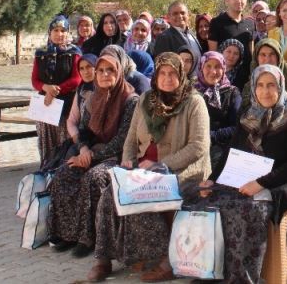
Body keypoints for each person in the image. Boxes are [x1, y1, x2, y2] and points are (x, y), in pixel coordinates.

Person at [87, 53, 211, 282]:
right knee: (109, 195)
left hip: (181, 171)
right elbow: (131, 138)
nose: (166, 78)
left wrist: (161, 165)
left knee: (152, 197)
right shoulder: (146, 99)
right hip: (143, 168)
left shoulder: (194, 101)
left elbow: (199, 146)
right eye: (162, 73)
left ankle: (167, 260)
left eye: (172, 73)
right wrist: (127, 161)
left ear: (181, 74)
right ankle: (103, 260)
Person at [194, 64, 287, 284]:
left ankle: (242, 278)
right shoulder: (249, 114)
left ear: (281, 87)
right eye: (260, 85)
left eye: (271, 85)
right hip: (250, 177)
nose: (265, 91)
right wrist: (212, 178)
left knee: (246, 208)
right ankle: (212, 272)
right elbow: (231, 152)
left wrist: (261, 183)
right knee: (210, 202)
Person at [48, 53, 138, 258]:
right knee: (64, 174)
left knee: (93, 178)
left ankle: (89, 238)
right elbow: (83, 130)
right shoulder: (92, 98)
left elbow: (124, 140)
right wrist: (83, 150)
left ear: (119, 72)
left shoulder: (130, 100)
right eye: (101, 71)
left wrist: (91, 156)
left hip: (119, 156)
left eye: (111, 70)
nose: (105, 74)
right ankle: (67, 233)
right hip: (92, 153)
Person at [31, 15, 82, 165]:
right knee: (46, 140)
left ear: (68, 33)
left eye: (63, 31)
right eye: (56, 30)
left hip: (66, 104)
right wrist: (46, 88)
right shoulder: (41, 53)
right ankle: (46, 167)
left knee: (63, 140)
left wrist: (55, 91)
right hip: (45, 104)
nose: (59, 34)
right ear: (49, 32)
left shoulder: (74, 53)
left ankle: (62, 170)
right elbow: (35, 80)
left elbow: (76, 79)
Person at [194, 51, 242, 166]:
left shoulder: (232, 93)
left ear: (224, 68)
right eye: (208, 66)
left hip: (220, 147)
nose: (213, 72)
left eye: (217, 66)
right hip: (192, 145)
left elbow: (238, 127)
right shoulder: (191, 90)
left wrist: (212, 136)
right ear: (201, 67)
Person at [241, 38, 287, 112]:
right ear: (256, 59)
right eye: (263, 55)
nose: (267, 59)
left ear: (278, 57)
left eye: (272, 54)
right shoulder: (250, 84)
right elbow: (244, 115)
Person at [208, 0, 254, 90]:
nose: (239, 1)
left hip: (246, 82)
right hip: (224, 82)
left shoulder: (250, 24)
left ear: (246, 0)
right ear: (227, 1)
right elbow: (212, 55)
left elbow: (251, 54)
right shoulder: (216, 23)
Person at [67, 54, 98, 145]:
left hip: (101, 140)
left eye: (89, 67)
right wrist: (77, 138)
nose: (85, 72)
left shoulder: (104, 89)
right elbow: (71, 120)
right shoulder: (81, 89)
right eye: (81, 68)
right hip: (82, 138)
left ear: (96, 67)